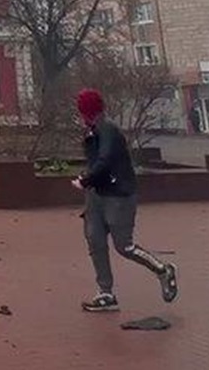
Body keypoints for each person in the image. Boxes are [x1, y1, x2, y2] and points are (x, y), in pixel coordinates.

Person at [72, 88, 179, 312]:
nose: (79, 116)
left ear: (87, 111)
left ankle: (162, 269)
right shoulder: (91, 131)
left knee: (124, 246)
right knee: (95, 242)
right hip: (96, 196)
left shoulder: (108, 129)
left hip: (118, 195)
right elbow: (94, 161)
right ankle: (106, 293)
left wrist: (86, 179)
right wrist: (88, 181)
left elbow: (105, 160)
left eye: (81, 110)